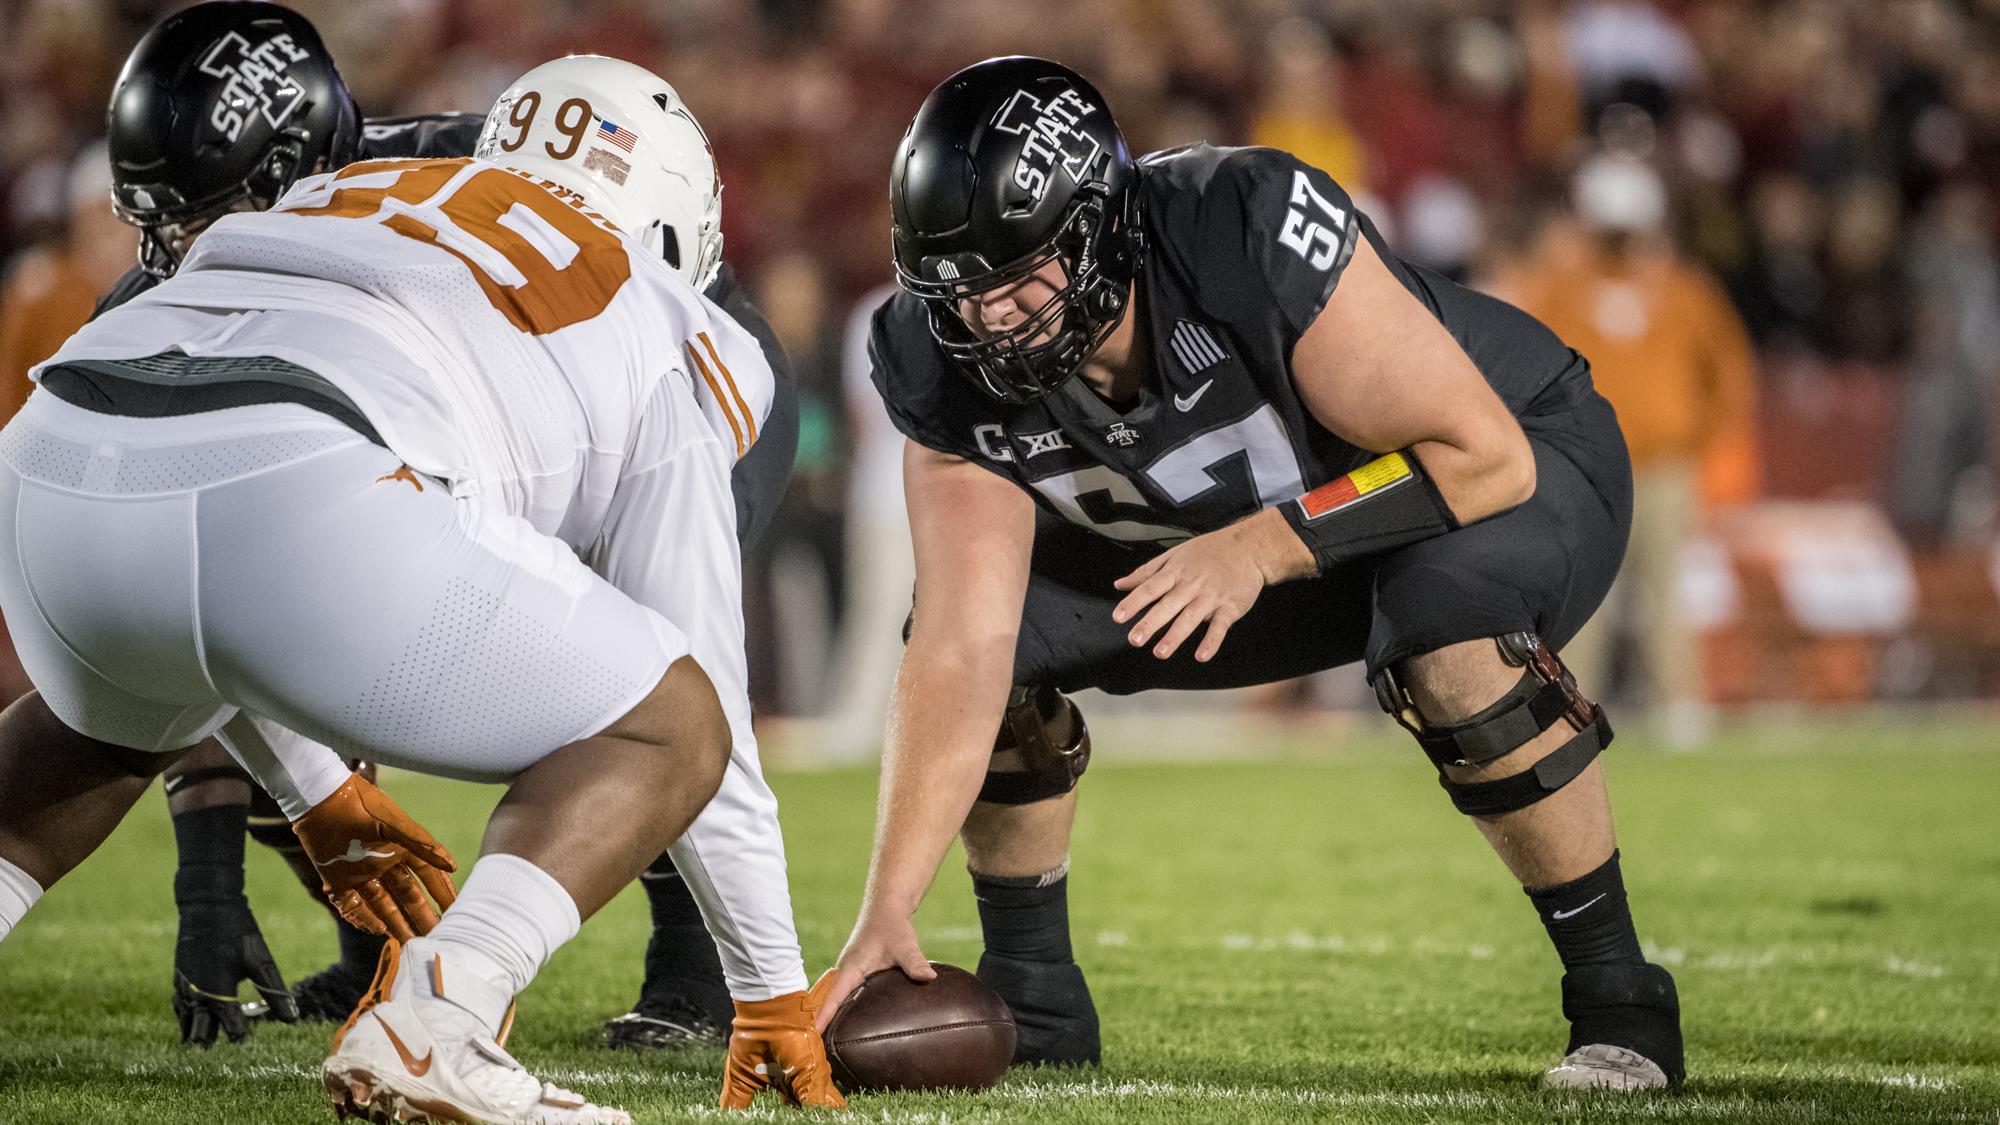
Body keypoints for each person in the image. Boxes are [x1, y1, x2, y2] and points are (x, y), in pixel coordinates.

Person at [0, 54, 842, 1122]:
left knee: (99, 730)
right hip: (302, 486)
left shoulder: (337, 190)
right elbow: (702, 691)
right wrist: (768, 991)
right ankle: (444, 1011)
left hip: (51, 464)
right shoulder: (675, 313)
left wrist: (313, 793)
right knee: (671, 722)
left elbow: (202, 547)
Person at [829, 57, 1683, 1093]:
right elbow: (960, 640)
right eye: (959, 293)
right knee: (991, 644)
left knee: (1446, 635)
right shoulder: (936, 359)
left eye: (1016, 277)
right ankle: (1037, 997)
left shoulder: (1239, 226)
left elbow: (1481, 458)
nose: (990, 321)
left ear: (1098, 228)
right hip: (1234, 537)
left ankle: (1620, 1006)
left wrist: (1259, 548)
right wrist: (887, 907)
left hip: (1503, 467)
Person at [1503, 152, 1757, 747]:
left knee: (1664, 592)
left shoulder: (1684, 290)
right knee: (1583, 597)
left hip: (1664, 467)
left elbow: (1729, 372)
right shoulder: (1559, 287)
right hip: (1586, 468)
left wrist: (1696, 437)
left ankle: (1680, 705)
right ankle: (1571, 707)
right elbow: (1521, 359)